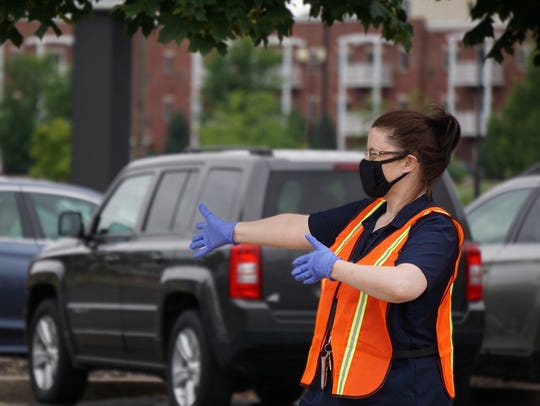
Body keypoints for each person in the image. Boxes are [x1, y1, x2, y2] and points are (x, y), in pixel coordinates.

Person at [190, 105, 463, 405]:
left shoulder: (435, 228)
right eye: (366, 153)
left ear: (408, 163)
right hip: (338, 383)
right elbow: (297, 226)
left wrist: (336, 268)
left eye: (375, 154)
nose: (366, 162)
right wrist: (233, 232)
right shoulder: (367, 214)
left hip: (401, 389)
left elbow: (404, 285)